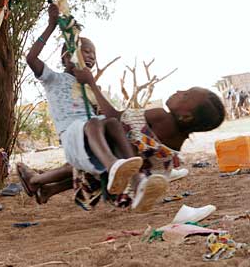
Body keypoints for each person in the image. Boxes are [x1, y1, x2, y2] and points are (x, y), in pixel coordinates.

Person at [20, 3, 166, 211]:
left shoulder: (89, 88)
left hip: (90, 138)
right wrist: (51, 25)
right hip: (72, 136)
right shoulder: (53, 79)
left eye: (94, 55)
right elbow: (31, 58)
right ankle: (112, 165)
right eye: (86, 51)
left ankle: (137, 177)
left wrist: (91, 83)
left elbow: (112, 115)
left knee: (113, 123)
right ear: (66, 55)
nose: (91, 57)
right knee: (93, 124)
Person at [18, 74, 226, 211]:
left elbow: (116, 117)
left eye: (186, 94)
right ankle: (46, 189)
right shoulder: (177, 143)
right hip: (125, 185)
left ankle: (36, 181)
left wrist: (91, 83)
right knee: (96, 165)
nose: (180, 91)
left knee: (100, 128)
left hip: (128, 175)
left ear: (186, 117)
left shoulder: (161, 116)